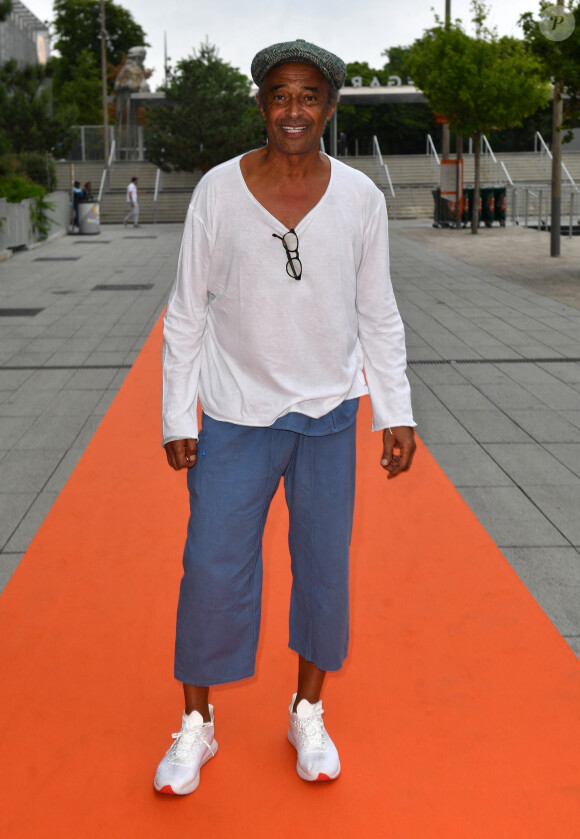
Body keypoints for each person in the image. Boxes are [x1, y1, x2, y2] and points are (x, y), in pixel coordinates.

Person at [155, 38, 416, 797]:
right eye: (279, 93)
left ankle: (308, 708)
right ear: (260, 103)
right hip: (236, 414)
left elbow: (379, 312)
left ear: (330, 106)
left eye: (309, 95)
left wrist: (392, 408)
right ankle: (196, 726)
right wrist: (180, 414)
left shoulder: (362, 200)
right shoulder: (217, 191)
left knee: (324, 572)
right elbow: (184, 312)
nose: (293, 109)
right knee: (210, 569)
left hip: (331, 414)